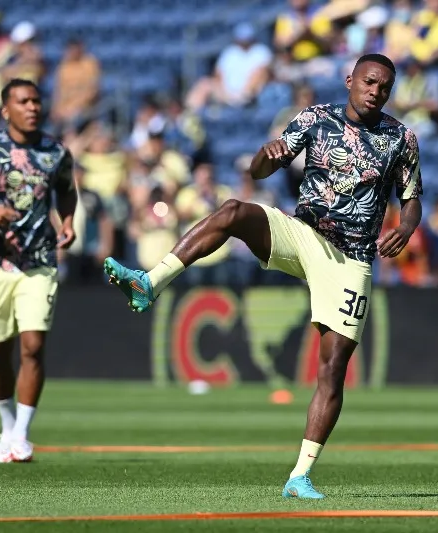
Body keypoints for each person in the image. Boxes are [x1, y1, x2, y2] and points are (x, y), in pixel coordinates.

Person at [103, 54, 421, 498]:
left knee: (332, 368)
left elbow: (411, 198)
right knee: (233, 211)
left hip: (350, 259)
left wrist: (406, 226)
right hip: (303, 233)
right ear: (349, 80)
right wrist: (264, 156)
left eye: (385, 87)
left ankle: (300, 475)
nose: (376, 91)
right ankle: (150, 283)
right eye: (369, 82)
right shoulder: (314, 118)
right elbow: (260, 170)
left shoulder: (400, 138)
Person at [0, 78, 78, 463]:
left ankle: (21, 435)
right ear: (7, 109)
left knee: (34, 347)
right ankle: (6, 423)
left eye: (36, 100)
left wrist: (67, 221)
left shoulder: (56, 152)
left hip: (39, 262)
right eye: (23, 101)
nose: (33, 107)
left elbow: (67, 189)